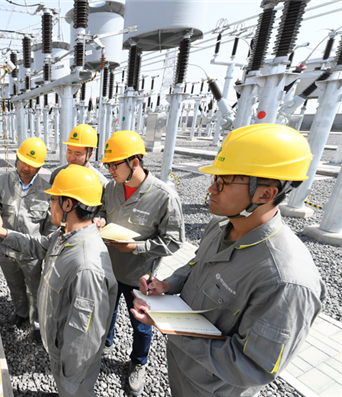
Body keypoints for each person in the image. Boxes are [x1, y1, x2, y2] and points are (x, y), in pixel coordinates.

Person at [131, 124, 327, 397]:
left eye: (222, 181)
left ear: (265, 194)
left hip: (212, 389)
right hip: (182, 368)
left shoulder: (285, 281)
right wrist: (167, 284)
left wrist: (168, 324)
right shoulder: (221, 226)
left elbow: (251, 367)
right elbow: (197, 265)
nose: (211, 188)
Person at [0, 165, 118, 397]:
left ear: (68, 205)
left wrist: (69, 384)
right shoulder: (64, 235)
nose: (50, 205)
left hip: (73, 370)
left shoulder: (86, 267)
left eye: (54, 200)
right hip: (58, 349)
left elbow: (83, 340)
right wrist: (5, 233)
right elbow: (37, 246)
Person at [97, 130, 185, 396]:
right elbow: (102, 210)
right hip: (108, 270)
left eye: (115, 164)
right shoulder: (110, 188)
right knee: (106, 313)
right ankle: (105, 345)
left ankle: (139, 363)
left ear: (135, 162)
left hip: (139, 277)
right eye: (107, 165)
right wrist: (100, 219)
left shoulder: (164, 196)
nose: (110, 170)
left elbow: (175, 242)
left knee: (141, 325)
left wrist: (138, 247)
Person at [0, 137, 55, 341]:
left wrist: (44, 250)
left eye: (32, 165)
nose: (26, 167)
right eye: (23, 161)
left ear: (40, 166)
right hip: (6, 249)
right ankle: (21, 314)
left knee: (35, 290)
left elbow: (50, 226)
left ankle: (36, 324)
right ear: (16, 158)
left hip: (30, 252)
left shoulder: (47, 191)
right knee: (14, 285)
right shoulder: (2, 182)